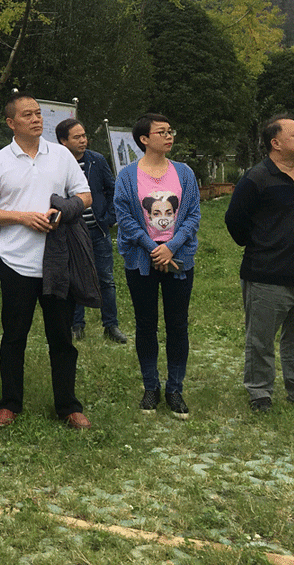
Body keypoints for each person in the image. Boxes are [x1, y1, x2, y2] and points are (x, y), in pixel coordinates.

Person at [0, 93, 93, 429]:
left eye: (39, 113)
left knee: (62, 338)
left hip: (58, 262)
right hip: (16, 263)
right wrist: (23, 217)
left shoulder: (61, 156)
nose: (36, 119)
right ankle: (10, 403)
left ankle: (68, 406)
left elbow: (85, 195)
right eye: (28, 114)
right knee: (14, 337)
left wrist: (64, 210)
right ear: (11, 123)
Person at [225, 114, 294, 413]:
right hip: (266, 276)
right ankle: (260, 392)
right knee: (260, 340)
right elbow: (235, 220)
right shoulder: (256, 178)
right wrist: (262, 246)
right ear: (276, 143)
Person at [113, 114, 200, 419]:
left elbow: (193, 215)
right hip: (142, 260)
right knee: (146, 324)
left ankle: (175, 389)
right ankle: (151, 386)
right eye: (161, 132)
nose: (169, 136)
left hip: (178, 259)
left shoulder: (184, 173)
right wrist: (153, 248)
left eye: (170, 131)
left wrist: (171, 246)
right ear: (144, 139)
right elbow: (124, 217)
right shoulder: (127, 176)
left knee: (177, 325)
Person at [56, 118, 127, 345]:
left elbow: (112, 189)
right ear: (63, 141)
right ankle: (76, 325)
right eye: (77, 137)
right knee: (74, 279)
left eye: (84, 136)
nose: (83, 140)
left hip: (97, 230)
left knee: (106, 279)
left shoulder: (96, 160)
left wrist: (109, 219)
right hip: (70, 232)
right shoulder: (56, 163)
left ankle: (111, 325)